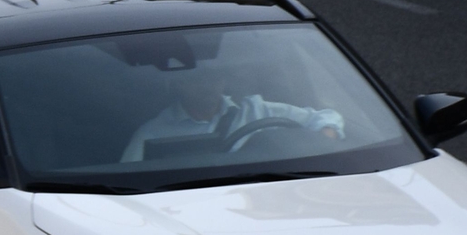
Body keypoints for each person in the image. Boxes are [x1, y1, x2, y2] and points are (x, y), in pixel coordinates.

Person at [122, 70, 343, 163]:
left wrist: (325, 138)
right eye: (196, 80)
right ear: (178, 85)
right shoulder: (153, 132)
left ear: (223, 82)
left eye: (213, 79)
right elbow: (127, 178)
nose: (207, 87)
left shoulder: (258, 110)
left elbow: (326, 117)